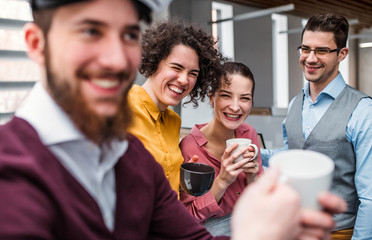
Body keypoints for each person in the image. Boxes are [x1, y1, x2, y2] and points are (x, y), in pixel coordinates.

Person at [0, 1, 347, 239]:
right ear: (36, 43)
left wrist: (266, 230)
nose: (116, 58)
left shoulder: (132, 158)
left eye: (129, 35)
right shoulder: (11, 170)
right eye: (91, 31)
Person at [261, 13, 372, 239]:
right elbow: (294, 155)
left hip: (340, 232)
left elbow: (370, 196)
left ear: (342, 54)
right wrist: (257, 153)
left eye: (321, 51)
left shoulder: (363, 110)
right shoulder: (294, 104)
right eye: (305, 49)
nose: (310, 58)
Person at [127, 19, 226, 194]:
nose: (183, 80)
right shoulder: (122, 109)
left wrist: (182, 175)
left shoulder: (173, 122)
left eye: (192, 73)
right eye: (176, 67)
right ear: (154, 61)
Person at [179, 62, 263, 236]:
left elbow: (259, 201)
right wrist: (222, 181)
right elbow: (187, 218)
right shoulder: (189, 147)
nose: (235, 106)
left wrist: (252, 178)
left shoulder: (249, 133)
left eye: (244, 98)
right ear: (211, 98)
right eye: (226, 96)